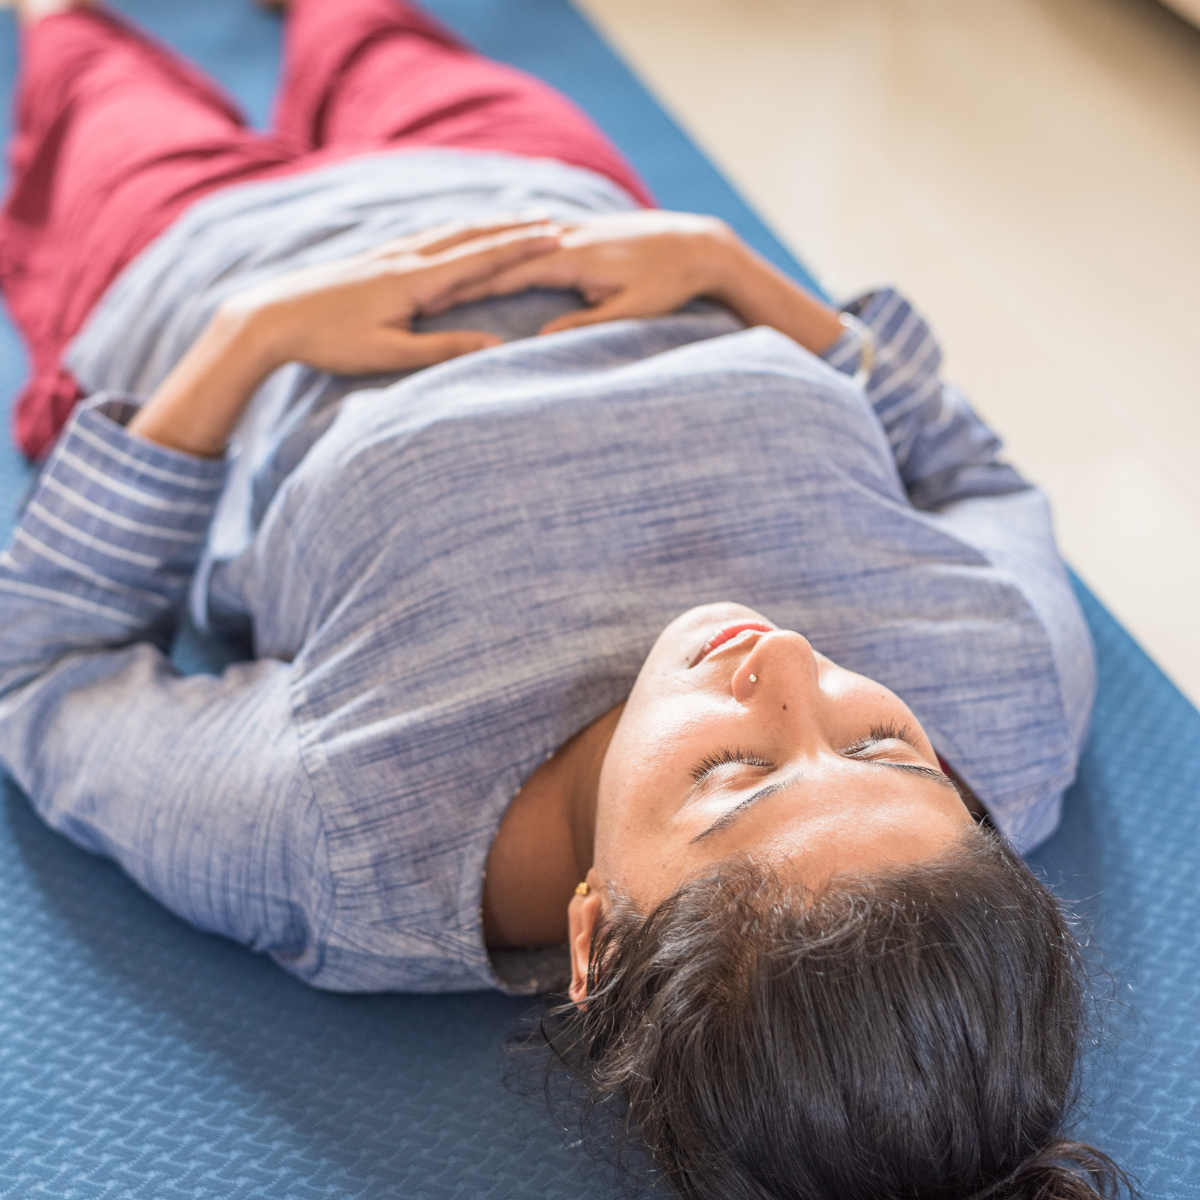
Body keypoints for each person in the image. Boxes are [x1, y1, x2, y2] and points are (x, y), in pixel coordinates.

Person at [0, 1, 1133, 1198]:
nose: (794, 666)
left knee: (83, 51)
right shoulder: (1007, 698)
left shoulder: (347, 840)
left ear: (594, 936)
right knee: (373, 28)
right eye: (889, 749)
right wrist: (731, 272)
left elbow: (45, 671)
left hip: (193, 261)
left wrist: (247, 337)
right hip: (542, 195)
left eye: (732, 775)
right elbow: (972, 471)